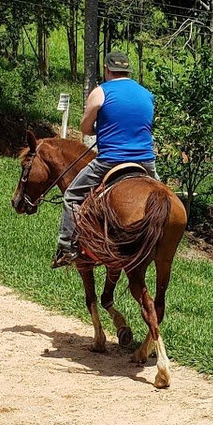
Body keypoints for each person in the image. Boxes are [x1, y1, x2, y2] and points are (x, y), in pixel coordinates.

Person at [51, 50, 158, 268]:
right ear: (128, 71)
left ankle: (66, 248)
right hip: (146, 162)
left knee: (72, 196)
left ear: (107, 69)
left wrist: (100, 127)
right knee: (162, 197)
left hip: (110, 160)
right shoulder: (147, 94)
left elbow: (85, 128)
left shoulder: (100, 92)